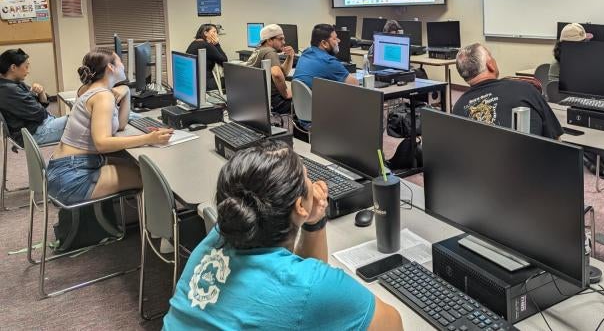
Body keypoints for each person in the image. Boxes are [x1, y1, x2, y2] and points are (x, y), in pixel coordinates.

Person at [163, 142, 403, 330]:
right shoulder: (309, 285)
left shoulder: (222, 232)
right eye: (306, 177)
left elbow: (310, 298)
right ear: (299, 205)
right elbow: (392, 324)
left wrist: (315, 221)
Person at [47, 48, 172, 205]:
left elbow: (120, 125)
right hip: (73, 177)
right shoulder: (102, 96)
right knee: (151, 177)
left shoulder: (94, 90)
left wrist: (126, 91)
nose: (123, 66)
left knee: (136, 165)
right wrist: (148, 138)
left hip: (65, 168)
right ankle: (151, 228)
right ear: (111, 67)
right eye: (120, 61)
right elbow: (102, 143)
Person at [453, 43, 563, 139]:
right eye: (491, 57)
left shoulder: (457, 108)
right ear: (490, 65)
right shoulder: (525, 89)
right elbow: (555, 137)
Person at [0, 48, 68, 145]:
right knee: (80, 121)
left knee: (79, 120)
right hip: (33, 133)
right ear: (13, 67)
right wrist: (35, 100)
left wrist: (41, 92)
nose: (28, 71)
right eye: (26, 67)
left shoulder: (14, 83)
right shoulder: (9, 90)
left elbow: (42, 104)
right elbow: (41, 114)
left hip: (38, 126)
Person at [246, 24, 295, 114]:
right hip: (272, 102)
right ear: (269, 40)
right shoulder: (269, 51)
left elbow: (283, 73)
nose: (284, 42)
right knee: (305, 103)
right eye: (280, 39)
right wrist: (286, 93)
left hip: (258, 101)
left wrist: (290, 57)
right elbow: (276, 74)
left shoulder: (259, 50)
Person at [293, 24, 359, 89]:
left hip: (300, 99)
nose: (339, 41)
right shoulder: (329, 61)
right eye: (335, 39)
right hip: (317, 99)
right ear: (324, 43)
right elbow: (355, 84)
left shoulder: (306, 52)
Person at [186, 24, 228, 91]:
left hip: (194, 83)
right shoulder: (207, 45)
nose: (216, 34)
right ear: (205, 33)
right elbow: (224, 61)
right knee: (233, 79)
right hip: (206, 84)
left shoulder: (194, 43)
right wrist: (217, 44)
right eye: (214, 32)